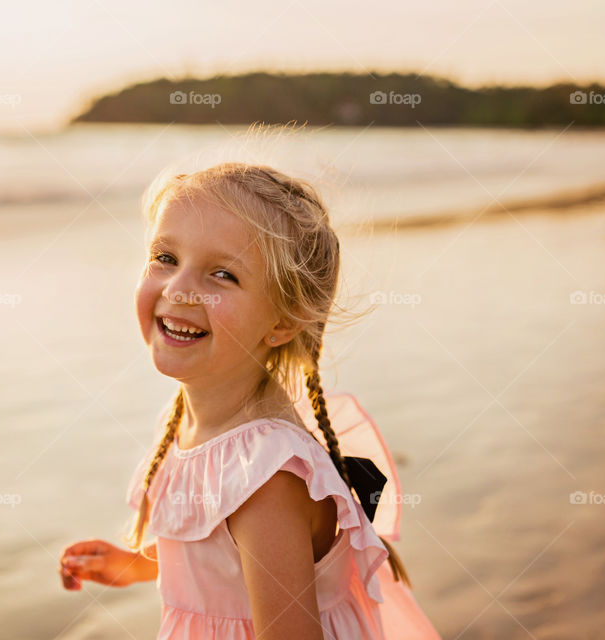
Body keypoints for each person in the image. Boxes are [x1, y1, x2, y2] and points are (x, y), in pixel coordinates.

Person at [59, 162, 441, 639]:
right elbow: (216, 551)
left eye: (223, 274)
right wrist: (137, 564)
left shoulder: (266, 482)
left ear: (283, 322)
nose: (178, 289)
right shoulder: (194, 421)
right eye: (165, 257)